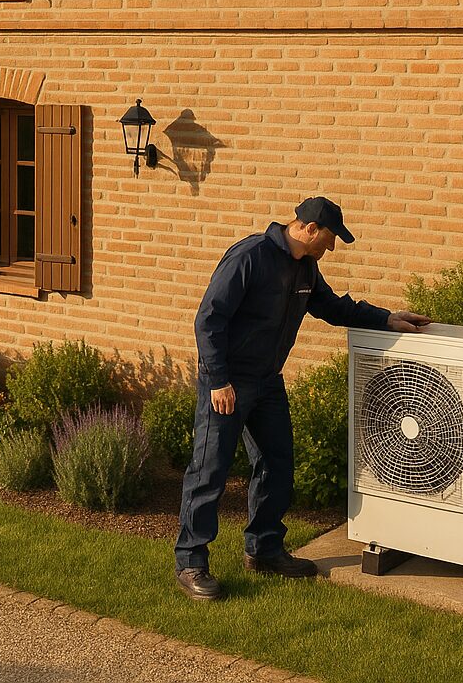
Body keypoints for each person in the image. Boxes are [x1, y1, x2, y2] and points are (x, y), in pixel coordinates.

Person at [174, 196, 430, 601]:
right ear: (309, 229)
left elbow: (330, 306)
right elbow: (209, 318)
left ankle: (264, 549)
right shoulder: (250, 256)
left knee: (278, 463)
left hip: (267, 381)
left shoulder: (306, 266)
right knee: (209, 471)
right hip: (229, 383)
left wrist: (386, 318)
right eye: (329, 239)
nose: (330, 248)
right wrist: (218, 380)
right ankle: (191, 561)